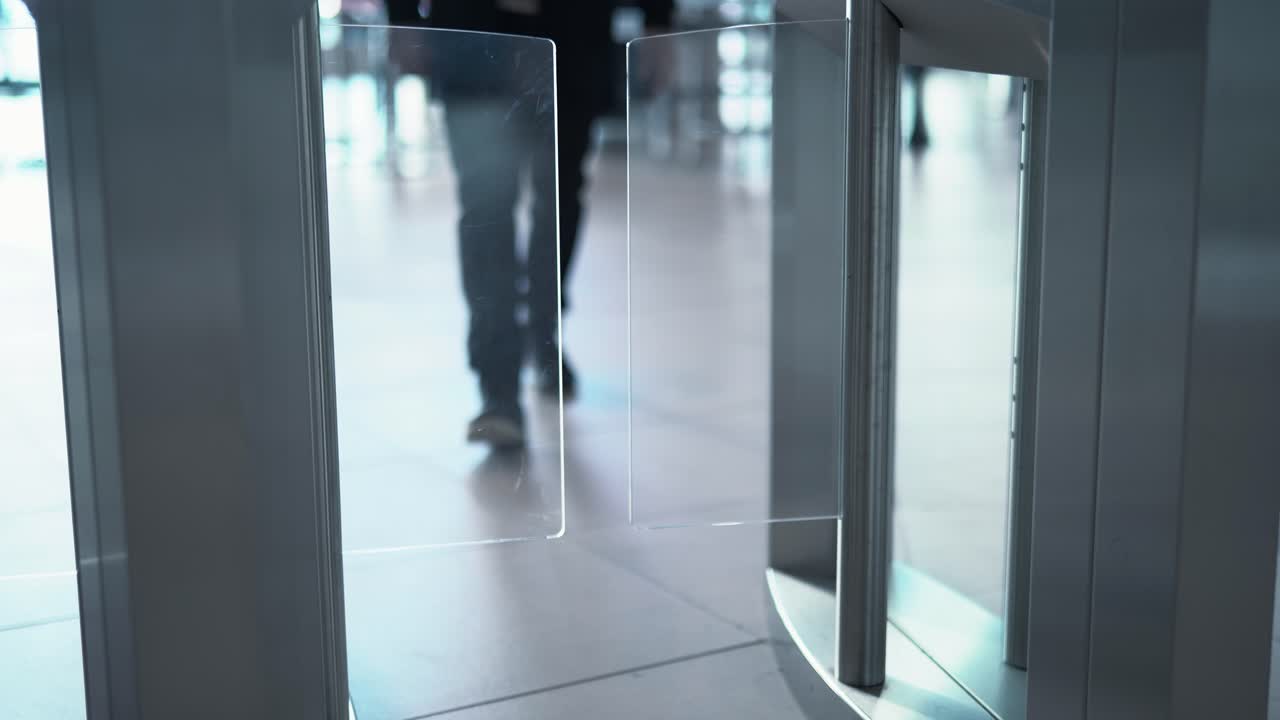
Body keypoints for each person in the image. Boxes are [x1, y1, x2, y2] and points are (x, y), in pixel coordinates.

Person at [391, 0, 672, 448]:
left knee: (559, 198)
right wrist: (402, 18)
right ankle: (498, 387)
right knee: (486, 206)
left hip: (571, 33)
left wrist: (659, 21)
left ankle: (543, 333)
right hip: (473, 33)